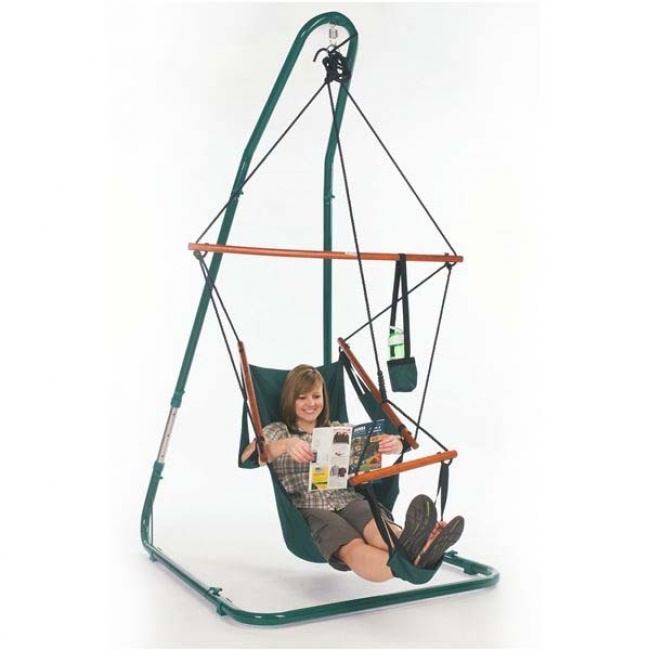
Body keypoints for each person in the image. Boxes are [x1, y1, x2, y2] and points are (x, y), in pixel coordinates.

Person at [241, 364, 464, 582]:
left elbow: (396, 442)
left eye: (316, 396)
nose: (311, 403)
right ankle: (410, 563)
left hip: (349, 498)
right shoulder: (278, 431)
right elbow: (247, 458)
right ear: (290, 400)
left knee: (379, 527)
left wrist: (396, 443)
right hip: (311, 507)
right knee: (351, 546)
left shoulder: (339, 428)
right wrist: (285, 445)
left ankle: (419, 545)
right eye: (302, 397)